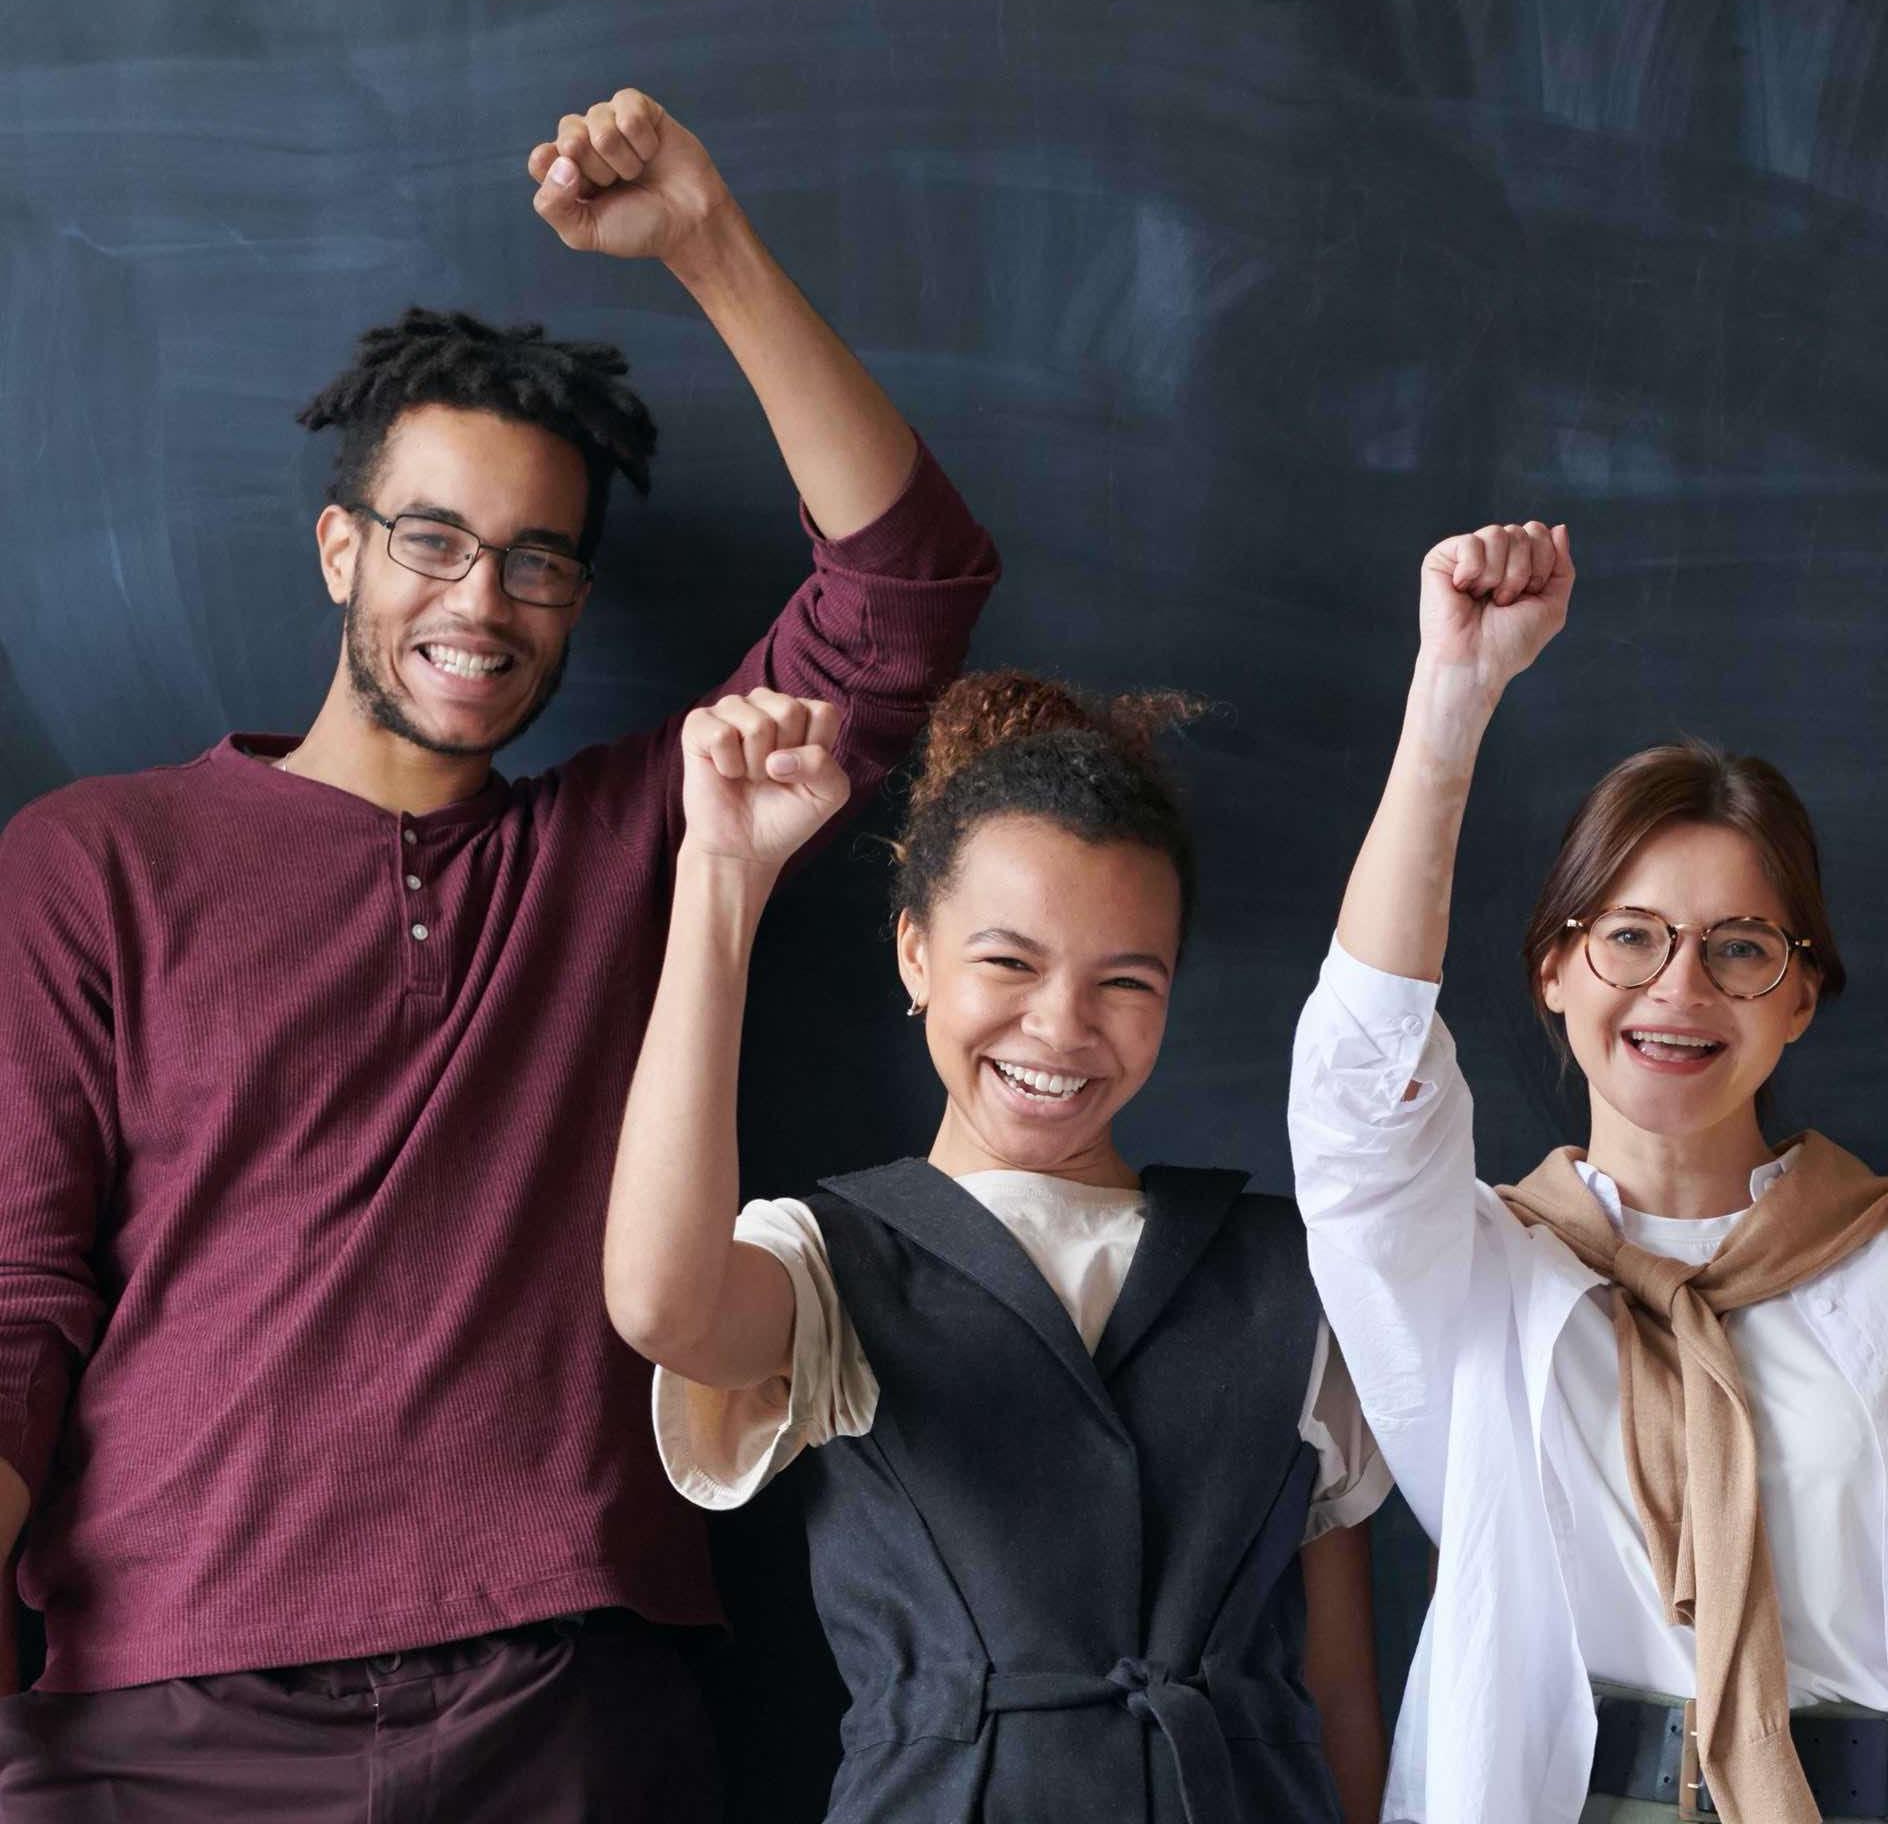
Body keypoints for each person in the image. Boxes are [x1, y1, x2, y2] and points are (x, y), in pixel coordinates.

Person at [0, 87, 998, 1819]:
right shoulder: (97, 861)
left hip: (557, 1698)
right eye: (433, 542)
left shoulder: (641, 839)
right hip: (159, 1707)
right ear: (338, 551)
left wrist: (705, 239)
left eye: (538, 565)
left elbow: (908, 585)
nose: (479, 603)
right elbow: (15, 1299)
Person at [605, 669, 1392, 1823]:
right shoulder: (831, 1261)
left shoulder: (1291, 1271)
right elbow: (661, 1303)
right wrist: (721, 875)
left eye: (1124, 979)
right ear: (915, 952)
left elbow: (1337, 1687)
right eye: (1009, 962)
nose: (1060, 1026)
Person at [1289, 521, 1888, 1824]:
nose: (1679, 988)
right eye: (1631, 937)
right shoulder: (1470, 1278)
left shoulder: (1880, 1271)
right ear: (1555, 972)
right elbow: (1355, 1078)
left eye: (1740, 949)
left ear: (1801, 998)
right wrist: (1452, 697)